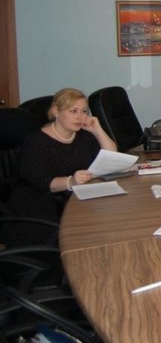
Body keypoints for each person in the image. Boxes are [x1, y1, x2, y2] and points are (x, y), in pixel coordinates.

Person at [5, 88, 117, 245]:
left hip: (74, 200)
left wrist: (97, 130)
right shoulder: (36, 142)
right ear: (56, 111)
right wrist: (71, 181)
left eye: (84, 111)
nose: (80, 116)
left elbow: (112, 157)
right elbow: (42, 182)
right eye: (73, 111)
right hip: (39, 207)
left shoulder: (83, 136)